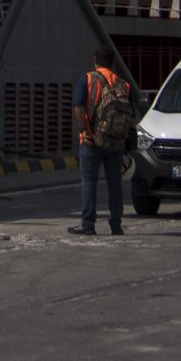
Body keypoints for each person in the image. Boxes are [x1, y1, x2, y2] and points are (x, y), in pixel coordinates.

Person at [73, 57, 134, 237]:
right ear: (112, 63)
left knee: (89, 181)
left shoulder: (88, 79)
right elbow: (131, 116)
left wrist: (84, 130)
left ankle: (88, 224)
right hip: (115, 142)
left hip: (92, 140)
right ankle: (116, 225)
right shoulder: (124, 85)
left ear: (95, 61)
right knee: (114, 183)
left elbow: (78, 106)